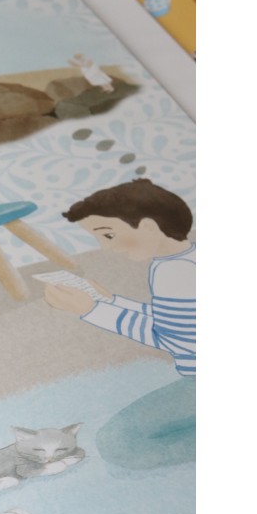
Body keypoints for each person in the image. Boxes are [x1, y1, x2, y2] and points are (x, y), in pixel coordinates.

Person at [44, 178, 195, 469]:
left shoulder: (175, 271)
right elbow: (175, 321)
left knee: (118, 443)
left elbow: (173, 339)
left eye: (109, 235)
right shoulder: (184, 259)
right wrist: (112, 301)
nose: (106, 247)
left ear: (148, 226)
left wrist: (91, 310)